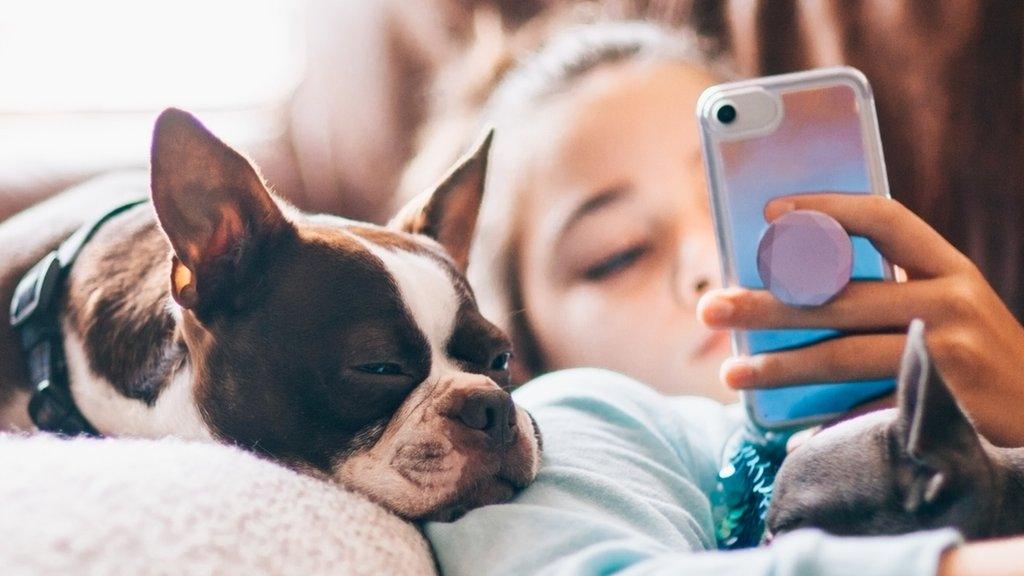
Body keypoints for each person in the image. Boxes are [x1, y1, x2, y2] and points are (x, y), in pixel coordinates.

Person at [407, 17, 1024, 575]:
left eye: (739, 208)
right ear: (520, 347)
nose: (711, 261)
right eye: (619, 253)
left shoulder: (975, 383)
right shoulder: (585, 422)